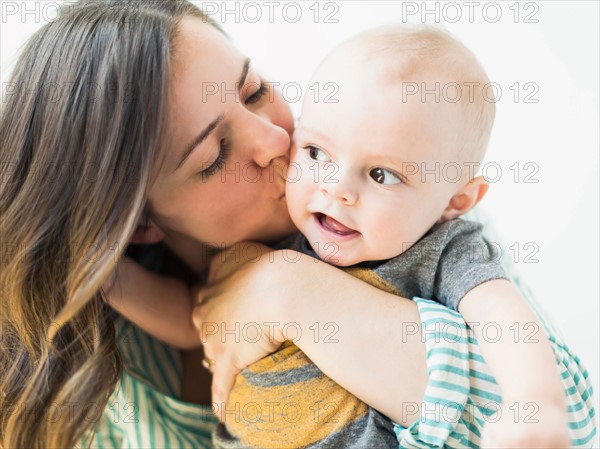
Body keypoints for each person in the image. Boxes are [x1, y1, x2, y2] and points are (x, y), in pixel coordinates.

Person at [0, 1, 595, 449]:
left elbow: (573, 412)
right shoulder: (95, 399)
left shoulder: (403, 208)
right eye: (212, 157)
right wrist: (100, 276)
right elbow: (189, 317)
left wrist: (291, 290)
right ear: (136, 226)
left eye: (255, 91)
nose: (278, 139)